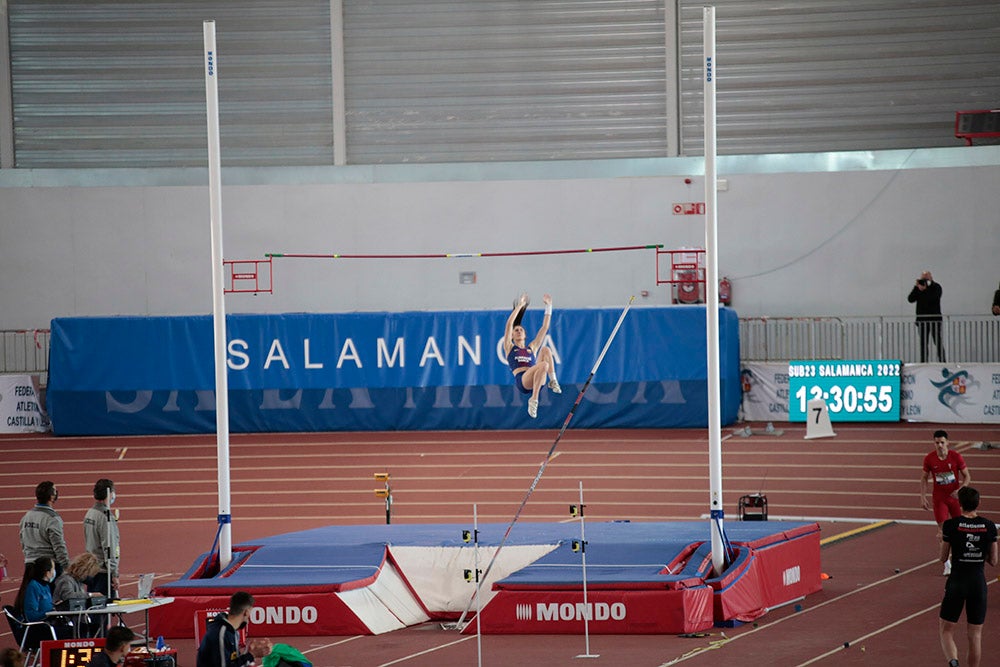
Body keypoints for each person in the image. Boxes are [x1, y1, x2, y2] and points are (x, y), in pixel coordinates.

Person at [938, 486, 998, 667]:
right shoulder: (989, 526)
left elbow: (942, 557)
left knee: (946, 630)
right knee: (975, 635)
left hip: (956, 582)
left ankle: (953, 662)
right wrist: (979, 554)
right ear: (978, 503)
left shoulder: (950, 525)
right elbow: (994, 560)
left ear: (960, 504)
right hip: (978, 583)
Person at [503, 293, 561, 419]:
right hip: (523, 381)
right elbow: (509, 325)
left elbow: (545, 327)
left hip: (537, 379)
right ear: (512, 336)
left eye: (521, 330)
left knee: (545, 349)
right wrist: (520, 306)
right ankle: (534, 400)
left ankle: (553, 381)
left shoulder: (532, 348)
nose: (518, 332)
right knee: (544, 364)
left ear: (525, 335)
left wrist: (549, 306)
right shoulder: (509, 347)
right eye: (516, 331)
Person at [921, 429, 971, 575]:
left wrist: (961, 489)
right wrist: (922, 496)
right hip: (939, 499)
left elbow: (967, 476)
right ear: (934, 443)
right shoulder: (929, 458)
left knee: (958, 529)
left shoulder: (956, 457)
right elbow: (924, 478)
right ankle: (947, 564)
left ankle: (958, 558)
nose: (940, 445)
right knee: (942, 531)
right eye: (937, 443)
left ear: (947, 442)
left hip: (954, 498)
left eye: (942, 442)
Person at [196, 591, 272, 667]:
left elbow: (235, 663)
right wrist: (252, 655)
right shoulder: (221, 632)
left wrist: (249, 654)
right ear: (246, 612)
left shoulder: (233, 631)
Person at [13, 557, 71, 640]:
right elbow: (31, 616)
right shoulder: (33, 587)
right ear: (47, 573)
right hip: (38, 630)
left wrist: (56, 607)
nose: (54, 572)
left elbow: (45, 606)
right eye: (53, 569)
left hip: (47, 625)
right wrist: (51, 612)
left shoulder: (46, 586)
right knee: (72, 632)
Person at [19, 481, 70, 577]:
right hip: (48, 566)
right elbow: (59, 545)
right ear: (51, 497)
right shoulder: (52, 518)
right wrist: (66, 566)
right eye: (55, 491)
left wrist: (28, 556)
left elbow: (22, 540)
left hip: (30, 563)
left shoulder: (27, 516)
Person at [83, 479, 120, 598]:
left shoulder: (90, 513)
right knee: (103, 610)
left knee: (94, 608)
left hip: (91, 568)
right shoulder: (106, 517)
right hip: (103, 572)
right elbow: (110, 546)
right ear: (109, 493)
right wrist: (114, 573)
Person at [53, 553, 102, 637]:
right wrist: (90, 595)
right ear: (84, 571)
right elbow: (68, 597)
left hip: (77, 619)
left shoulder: (78, 582)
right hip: (66, 621)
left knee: (96, 627)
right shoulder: (66, 580)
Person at [907, 270, 946, 363]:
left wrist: (926, 289)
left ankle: (943, 361)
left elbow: (934, 298)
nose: (924, 280)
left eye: (926, 278)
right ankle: (923, 362)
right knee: (923, 344)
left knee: (938, 341)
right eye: (923, 278)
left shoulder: (936, 287)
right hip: (922, 321)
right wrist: (916, 288)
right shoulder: (918, 289)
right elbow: (910, 299)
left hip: (934, 321)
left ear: (931, 277)